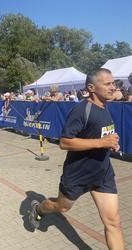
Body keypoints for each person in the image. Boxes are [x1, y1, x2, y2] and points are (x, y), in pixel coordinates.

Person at [29, 68, 124, 250]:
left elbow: (101, 136)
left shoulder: (105, 106)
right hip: (77, 175)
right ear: (92, 87)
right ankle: (39, 209)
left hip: (102, 174)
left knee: (113, 223)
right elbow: (64, 142)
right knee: (62, 207)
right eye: (108, 84)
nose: (113, 87)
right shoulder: (82, 110)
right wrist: (101, 142)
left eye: (113, 83)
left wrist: (111, 143)